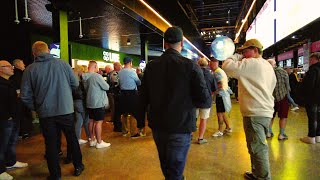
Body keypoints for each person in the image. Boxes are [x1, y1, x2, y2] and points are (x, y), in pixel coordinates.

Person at [140, 26, 211, 180]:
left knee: (166, 165)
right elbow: (205, 100)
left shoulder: (152, 66)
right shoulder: (191, 66)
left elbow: (143, 97)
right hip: (181, 125)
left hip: (158, 125)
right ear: (182, 43)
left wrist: (141, 122)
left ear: (165, 43)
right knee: (175, 170)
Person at [21, 41, 84, 179]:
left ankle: (55, 175)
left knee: (51, 144)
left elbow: (25, 96)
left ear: (34, 53)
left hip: (46, 113)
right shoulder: (63, 64)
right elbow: (75, 83)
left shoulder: (30, 70)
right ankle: (78, 166)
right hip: (66, 109)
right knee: (72, 139)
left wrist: (37, 108)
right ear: (48, 51)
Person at [222, 39, 276, 180]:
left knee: (257, 148)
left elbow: (227, 65)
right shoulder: (267, 66)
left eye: (245, 51)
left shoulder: (251, 63)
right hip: (265, 111)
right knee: (255, 145)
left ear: (255, 50)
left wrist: (236, 56)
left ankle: (263, 177)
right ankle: (257, 173)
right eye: (241, 52)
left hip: (254, 112)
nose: (243, 54)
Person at [0, 60, 28, 180]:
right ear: (1, 69)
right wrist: (7, 116)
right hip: (5, 120)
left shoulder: (9, 82)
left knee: (11, 142)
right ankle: (0, 171)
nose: (12, 68)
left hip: (14, 118)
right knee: (2, 145)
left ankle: (10, 162)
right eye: (8, 66)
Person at [82, 61, 111, 149]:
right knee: (99, 122)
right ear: (95, 66)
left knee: (91, 121)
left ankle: (92, 140)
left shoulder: (84, 77)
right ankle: (99, 142)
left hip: (89, 102)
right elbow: (106, 87)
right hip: (98, 102)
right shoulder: (96, 76)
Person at [116, 57, 145, 137]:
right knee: (134, 113)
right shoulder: (132, 72)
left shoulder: (120, 72)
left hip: (122, 94)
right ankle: (134, 132)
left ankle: (124, 131)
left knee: (124, 113)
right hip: (132, 94)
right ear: (130, 63)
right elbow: (138, 82)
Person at [9, 59, 33, 139]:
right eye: (23, 63)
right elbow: (20, 87)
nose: (24, 65)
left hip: (20, 99)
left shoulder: (18, 74)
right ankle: (23, 133)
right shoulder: (18, 74)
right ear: (18, 65)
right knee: (23, 116)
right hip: (20, 100)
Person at [300, 52, 320, 144]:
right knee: (319, 117)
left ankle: (311, 137)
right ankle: (318, 136)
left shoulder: (313, 70)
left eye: (311, 59)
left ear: (316, 59)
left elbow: (309, 86)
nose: (310, 61)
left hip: (312, 98)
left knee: (312, 117)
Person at [209, 59, 232, 137]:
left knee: (219, 113)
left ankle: (220, 131)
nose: (210, 66)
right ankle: (228, 127)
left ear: (215, 64)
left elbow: (220, 85)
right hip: (224, 94)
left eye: (210, 64)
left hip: (220, 95)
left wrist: (213, 92)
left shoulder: (216, 73)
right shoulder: (220, 71)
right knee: (222, 112)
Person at [268, 60, 290, 140]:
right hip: (282, 97)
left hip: (270, 98)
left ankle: (268, 132)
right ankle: (281, 134)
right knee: (283, 116)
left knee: (270, 116)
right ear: (275, 64)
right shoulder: (283, 72)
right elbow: (287, 86)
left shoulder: (266, 73)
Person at [196, 58, 216, 144]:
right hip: (206, 100)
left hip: (194, 100)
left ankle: (189, 136)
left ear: (198, 64)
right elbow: (214, 89)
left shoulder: (194, 74)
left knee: (193, 118)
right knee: (203, 119)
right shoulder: (211, 75)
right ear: (207, 64)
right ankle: (200, 138)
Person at [73, 65, 90, 145]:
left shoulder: (73, 79)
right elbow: (81, 93)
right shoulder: (80, 81)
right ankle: (90, 137)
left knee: (79, 121)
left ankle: (77, 139)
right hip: (81, 102)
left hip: (75, 102)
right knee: (86, 120)